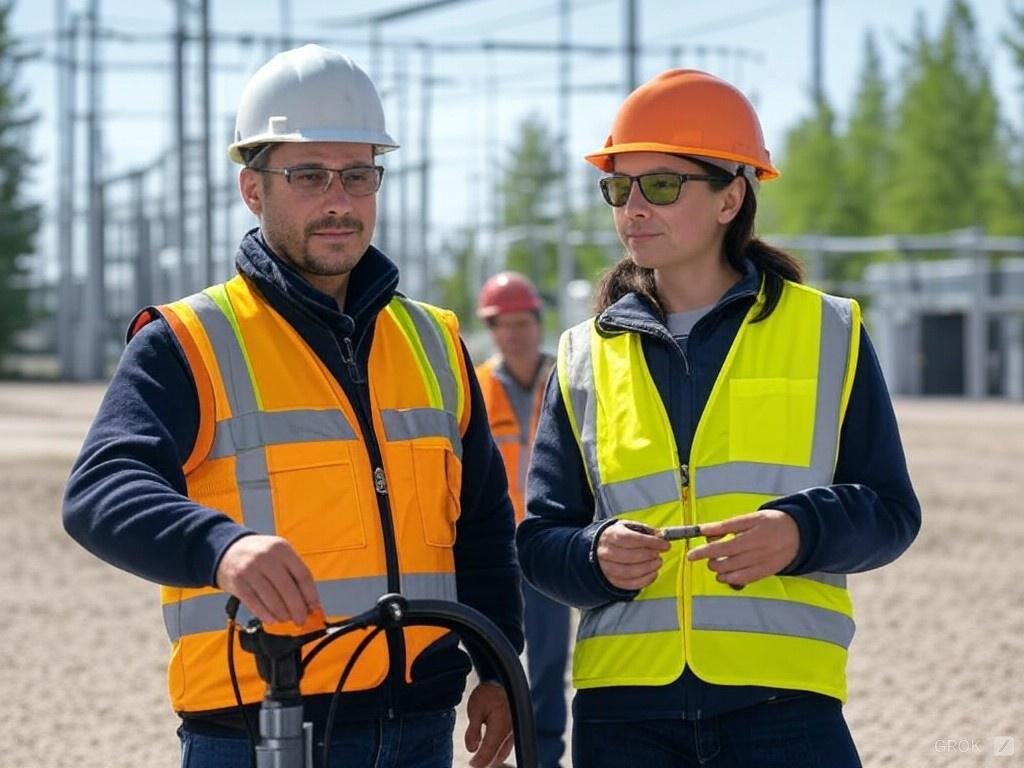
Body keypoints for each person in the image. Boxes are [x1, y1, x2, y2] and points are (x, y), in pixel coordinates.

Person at [63, 44, 523, 768]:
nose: (339, 200)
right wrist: (221, 547)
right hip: (256, 730)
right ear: (253, 189)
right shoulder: (188, 341)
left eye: (359, 175)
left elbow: (483, 527)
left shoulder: (435, 340)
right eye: (308, 176)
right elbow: (99, 493)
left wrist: (498, 665)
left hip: (420, 729)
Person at [516, 69, 921, 768]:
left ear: (732, 196)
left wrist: (800, 532)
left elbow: (891, 512)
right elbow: (541, 540)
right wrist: (595, 557)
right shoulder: (582, 356)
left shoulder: (828, 331)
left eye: (663, 185)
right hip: (623, 713)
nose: (634, 207)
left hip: (784, 708)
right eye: (621, 187)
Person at [475, 272, 571, 768]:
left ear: (537, 322)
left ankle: (544, 756)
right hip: (495, 546)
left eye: (521, 322)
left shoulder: (566, 380)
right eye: (502, 324)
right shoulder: (474, 386)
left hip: (548, 541)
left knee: (551, 656)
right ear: (492, 330)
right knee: (495, 659)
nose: (513, 333)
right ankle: (497, 751)